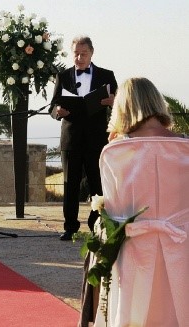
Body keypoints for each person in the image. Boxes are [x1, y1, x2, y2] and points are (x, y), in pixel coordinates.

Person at [79, 77, 188, 326]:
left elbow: (114, 216)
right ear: (158, 104)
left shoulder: (116, 153)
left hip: (134, 255)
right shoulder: (185, 147)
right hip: (183, 250)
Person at [49, 35, 118, 241]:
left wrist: (113, 101)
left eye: (83, 54)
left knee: (98, 183)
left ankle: (97, 224)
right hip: (71, 138)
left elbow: (120, 104)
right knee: (70, 184)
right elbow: (52, 106)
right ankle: (70, 227)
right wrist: (57, 111)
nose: (79, 58)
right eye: (76, 54)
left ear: (91, 53)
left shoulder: (107, 75)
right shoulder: (63, 75)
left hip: (97, 138)